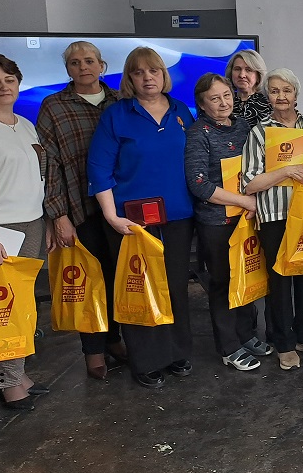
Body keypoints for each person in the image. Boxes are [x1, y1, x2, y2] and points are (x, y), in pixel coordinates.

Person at [87, 46, 196, 390]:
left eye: (154, 70)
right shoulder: (116, 116)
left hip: (178, 217)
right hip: (131, 222)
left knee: (175, 287)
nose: (148, 77)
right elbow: (99, 168)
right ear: (130, 78)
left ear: (164, 75)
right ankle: (147, 361)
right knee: (139, 290)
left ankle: (176, 353)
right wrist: (111, 215)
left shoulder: (181, 111)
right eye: (139, 72)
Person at [36, 41, 124, 381]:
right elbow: (49, 166)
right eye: (74, 63)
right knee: (89, 280)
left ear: (102, 65)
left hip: (121, 206)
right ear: (67, 69)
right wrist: (59, 215)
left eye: (89, 61)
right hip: (79, 207)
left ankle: (115, 339)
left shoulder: (120, 100)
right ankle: (94, 351)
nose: (83, 67)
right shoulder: (54, 107)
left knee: (118, 276)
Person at [0, 53, 49, 410]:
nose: (3, 87)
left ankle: (18, 374)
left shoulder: (24, 124)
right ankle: (9, 384)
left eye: (9, 80)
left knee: (24, 306)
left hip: (31, 224)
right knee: (4, 310)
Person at [240, 68, 303, 371]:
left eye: (287, 90)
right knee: (280, 282)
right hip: (275, 216)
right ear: (267, 96)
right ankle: (284, 343)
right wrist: (286, 171)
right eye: (274, 91)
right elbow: (249, 183)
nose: (281, 96)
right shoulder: (259, 132)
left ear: (296, 94)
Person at [186, 73, 269, 372]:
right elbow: (199, 184)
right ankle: (229, 347)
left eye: (226, 96)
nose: (223, 103)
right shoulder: (199, 133)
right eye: (214, 98)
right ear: (202, 104)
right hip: (217, 221)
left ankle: (246, 335)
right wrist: (244, 201)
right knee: (222, 283)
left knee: (246, 276)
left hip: (244, 219)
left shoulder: (243, 126)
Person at [226, 49, 272, 128]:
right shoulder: (225, 102)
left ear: (258, 75)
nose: (242, 75)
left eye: (248, 70)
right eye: (237, 69)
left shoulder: (269, 103)